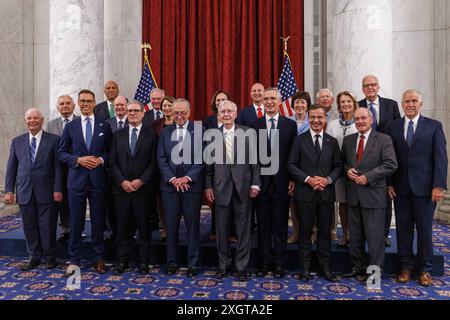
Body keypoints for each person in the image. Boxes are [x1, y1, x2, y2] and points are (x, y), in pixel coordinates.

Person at [386, 89, 447, 287]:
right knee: (403, 231)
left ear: (420, 104)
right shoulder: (392, 127)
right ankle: (405, 267)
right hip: (400, 188)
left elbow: (441, 159)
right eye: (406, 101)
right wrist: (388, 183)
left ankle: (425, 270)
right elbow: (388, 158)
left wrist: (438, 186)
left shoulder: (434, 126)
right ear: (402, 104)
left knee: (425, 231)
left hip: (426, 190)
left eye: (414, 101)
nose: (410, 104)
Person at [204, 100, 261, 281]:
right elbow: (208, 166)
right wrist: (208, 186)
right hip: (220, 189)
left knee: (243, 229)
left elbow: (255, 161)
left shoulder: (248, 133)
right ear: (218, 115)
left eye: (230, 111)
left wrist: (255, 184)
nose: (226, 114)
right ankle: (223, 265)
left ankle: (241, 266)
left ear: (236, 114)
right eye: (223, 112)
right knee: (221, 230)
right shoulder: (212, 135)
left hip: (243, 188)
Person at [58, 89, 112, 274]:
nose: (86, 104)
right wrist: (77, 160)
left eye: (89, 101)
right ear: (78, 104)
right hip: (76, 182)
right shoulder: (70, 127)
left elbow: (109, 152)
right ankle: (74, 260)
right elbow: (61, 153)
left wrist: (101, 160)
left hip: (98, 181)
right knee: (76, 221)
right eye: (82, 101)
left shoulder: (104, 126)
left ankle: (98, 258)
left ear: (95, 103)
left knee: (98, 221)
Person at [341, 108, 398, 282]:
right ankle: (357, 267)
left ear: (371, 119)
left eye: (363, 118)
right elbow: (342, 162)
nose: (360, 121)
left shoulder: (383, 139)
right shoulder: (349, 140)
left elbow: (391, 164)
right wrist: (347, 171)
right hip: (353, 196)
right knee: (356, 237)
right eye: (357, 119)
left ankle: (374, 273)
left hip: (373, 196)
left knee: (374, 239)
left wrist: (368, 177)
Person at [287, 105, 342, 282]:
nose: (316, 121)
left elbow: (338, 166)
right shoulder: (299, 140)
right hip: (305, 194)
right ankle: (304, 268)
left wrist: (327, 180)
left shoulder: (332, 142)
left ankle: (325, 268)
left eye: (320, 117)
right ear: (308, 118)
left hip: (326, 193)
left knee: (325, 233)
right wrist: (308, 179)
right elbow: (291, 165)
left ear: (325, 118)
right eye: (313, 117)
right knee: (305, 232)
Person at [5, 108, 63, 270]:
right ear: (25, 121)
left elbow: (58, 168)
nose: (32, 121)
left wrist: (58, 189)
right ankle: (33, 257)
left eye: (35, 118)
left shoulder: (53, 140)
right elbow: (11, 168)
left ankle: (50, 256)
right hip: (24, 191)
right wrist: (9, 190)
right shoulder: (17, 141)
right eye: (29, 118)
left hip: (48, 191)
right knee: (29, 226)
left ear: (42, 120)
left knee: (47, 226)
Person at [157, 98, 205, 277]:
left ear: (189, 113)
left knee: (193, 227)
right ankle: (172, 262)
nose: (179, 116)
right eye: (175, 113)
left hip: (191, 188)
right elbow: (161, 158)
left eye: (182, 113)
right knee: (171, 226)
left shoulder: (200, 131)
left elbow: (201, 159)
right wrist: (172, 179)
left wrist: (186, 178)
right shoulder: (164, 132)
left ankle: (193, 263)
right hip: (170, 188)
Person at [252, 88, 297, 278]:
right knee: (263, 226)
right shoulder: (254, 125)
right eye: (266, 99)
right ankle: (264, 262)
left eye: (273, 98)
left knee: (279, 226)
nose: (269, 101)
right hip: (260, 184)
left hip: (282, 183)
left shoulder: (290, 125)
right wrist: (253, 183)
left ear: (280, 101)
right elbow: (251, 157)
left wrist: (293, 178)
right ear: (262, 101)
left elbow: (294, 155)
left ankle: (279, 263)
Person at [109, 102, 157, 275]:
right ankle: (123, 261)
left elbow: (153, 163)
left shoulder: (151, 135)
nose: (133, 113)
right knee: (121, 228)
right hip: (121, 190)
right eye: (129, 111)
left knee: (144, 229)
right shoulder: (117, 135)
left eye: (136, 111)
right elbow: (112, 163)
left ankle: (144, 262)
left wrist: (141, 181)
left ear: (143, 114)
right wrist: (122, 181)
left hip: (142, 190)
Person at [359, 75, 401, 247]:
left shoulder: (391, 105)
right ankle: (363, 235)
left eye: (373, 85)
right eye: (367, 85)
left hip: (386, 156)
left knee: (385, 198)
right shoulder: (358, 105)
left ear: (378, 87)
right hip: (364, 157)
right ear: (363, 89)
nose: (370, 88)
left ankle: (383, 234)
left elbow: (397, 130)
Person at [325, 91, 358, 248]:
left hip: (356, 170)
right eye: (342, 102)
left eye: (348, 101)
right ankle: (345, 234)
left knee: (355, 203)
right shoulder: (332, 124)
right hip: (338, 169)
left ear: (354, 103)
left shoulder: (360, 121)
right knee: (342, 203)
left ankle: (357, 235)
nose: (345, 104)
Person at [46, 95, 79, 242]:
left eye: (67, 103)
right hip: (58, 169)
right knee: (61, 200)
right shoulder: (51, 125)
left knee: (77, 200)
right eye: (61, 104)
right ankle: (65, 228)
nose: (65, 106)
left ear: (73, 105)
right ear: (57, 107)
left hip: (78, 167)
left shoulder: (81, 121)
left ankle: (78, 228)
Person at [287, 91, 311, 244]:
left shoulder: (315, 121)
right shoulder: (287, 122)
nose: (300, 105)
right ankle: (296, 232)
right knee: (294, 203)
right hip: (292, 167)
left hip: (310, 168)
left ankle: (310, 234)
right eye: (297, 102)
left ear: (307, 105)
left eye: (303, 102)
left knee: (311, 204)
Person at [153, 95, 176, 242]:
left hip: (179, 167)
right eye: (164, 106)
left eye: (169, 105)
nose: (166, 108)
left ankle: (175, 228)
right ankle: (165, 229)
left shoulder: (181, 122)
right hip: (160, 167)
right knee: (161, 200)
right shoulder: (156, 124)